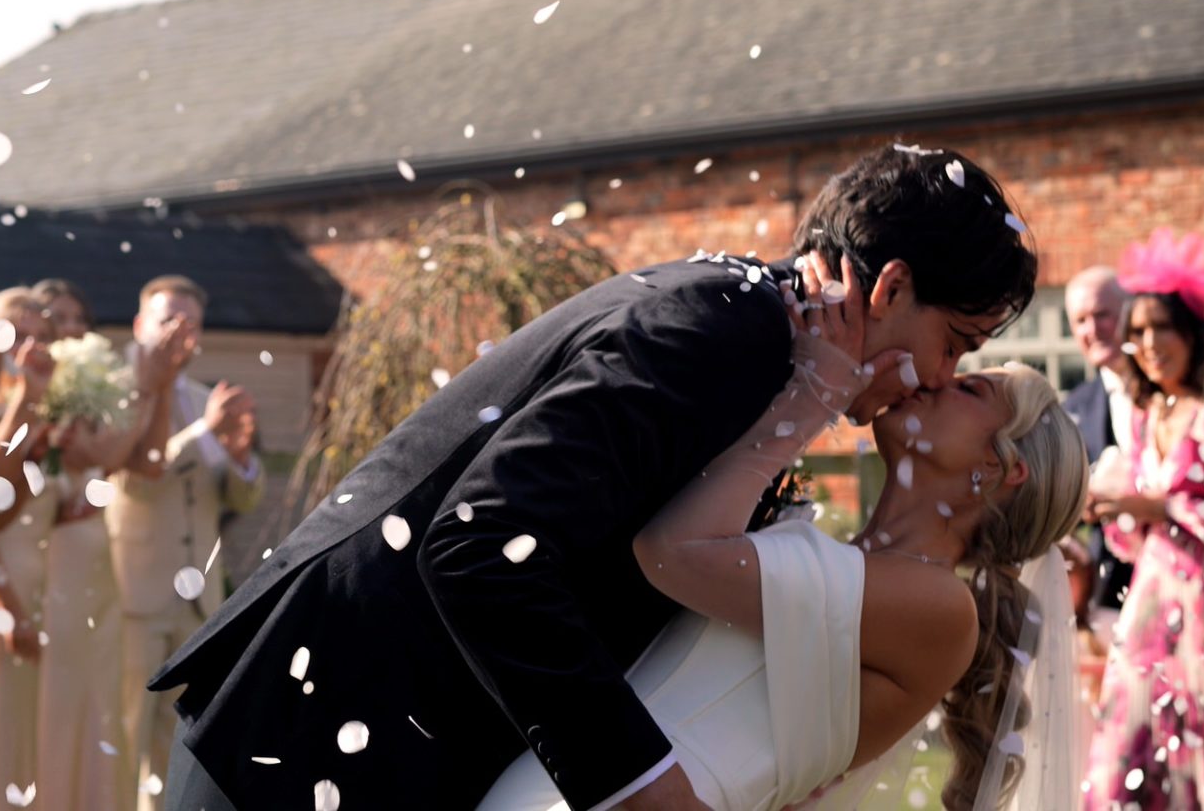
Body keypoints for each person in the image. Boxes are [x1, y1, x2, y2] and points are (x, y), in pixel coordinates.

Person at [151, 145, 1037, 810]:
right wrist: (641, 787)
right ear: (888, 290)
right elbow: (482, 546)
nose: (931, 378)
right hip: (313, 732)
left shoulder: (758, 340)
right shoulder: (721, 338)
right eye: (953, 344)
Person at [480, 254, 1089, 809]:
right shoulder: (821, 549)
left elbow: (673, 553)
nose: (933, 379)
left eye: (970, 387)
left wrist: (817, 392)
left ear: (1000, 468)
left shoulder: (943, 612)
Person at [1083, 228, 1204, 811]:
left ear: (1190, 331)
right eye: (1137, 331)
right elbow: (1135, 538)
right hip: (1150, 602)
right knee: (1122, 748)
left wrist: (1159, 507)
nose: (1149, 342)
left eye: (1161, 327)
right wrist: (1117, 511)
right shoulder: (1140, 418)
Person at [109, 274, 264, 809]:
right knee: (124, 733)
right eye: (167, 320)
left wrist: (242, 458)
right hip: (133, 592)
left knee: (178, 741)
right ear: (138, 326)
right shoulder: (114, 390)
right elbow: (134, 484)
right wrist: (204, 434)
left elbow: (236, 502)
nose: (179, 333)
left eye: (190, 324)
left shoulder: (203, 398)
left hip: (198, 599)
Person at [37, 276, 187, 811]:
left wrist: (162, 387)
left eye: (79, 318)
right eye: (58, 318)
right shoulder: (39, 397)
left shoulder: (95, 388)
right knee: (54, 698)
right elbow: (88, 453)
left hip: (97, 561)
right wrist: (148, 389)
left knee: (95, 701)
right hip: (49, 565)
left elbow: (147, 462)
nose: (71, 328)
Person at [0, 288, 61, 811]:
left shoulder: (52, 412)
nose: (29, 347)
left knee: (34, 738)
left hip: (52, 590)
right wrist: (8, 607)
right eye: (17, 334)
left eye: (41, 337)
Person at [1062, 266, 1135, 644]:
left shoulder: (1179, 391)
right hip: (1109, 597)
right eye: (1081, 320)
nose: (1093, 329)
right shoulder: (1073, 409)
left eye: (1103, 314)